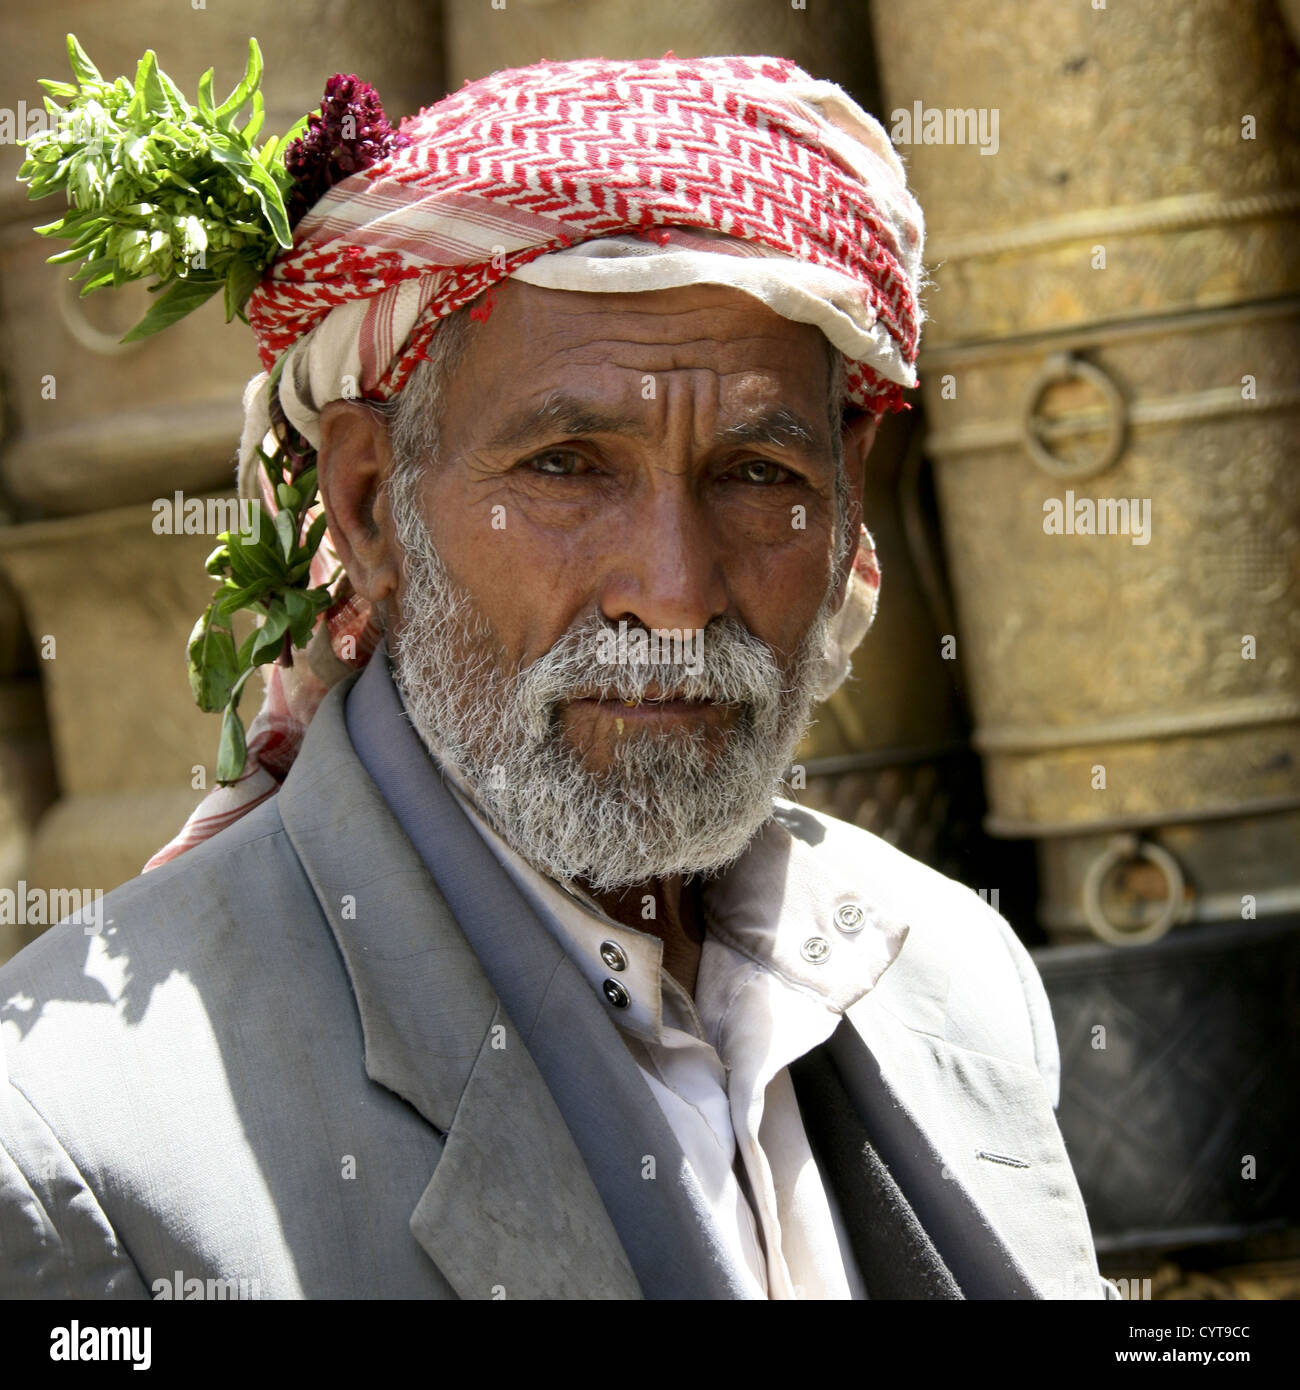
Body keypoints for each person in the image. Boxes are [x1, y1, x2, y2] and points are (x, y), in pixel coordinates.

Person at [0, 53, 1114, 1300]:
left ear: (849, 508)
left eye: (757, 474)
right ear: (369, 508)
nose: (675, 591)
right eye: (567, 466)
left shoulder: (953, 975)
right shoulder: (76, 1137)